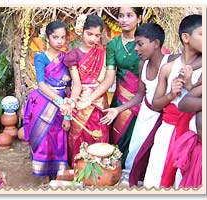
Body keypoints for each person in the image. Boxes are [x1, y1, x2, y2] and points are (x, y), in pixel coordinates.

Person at [102, 22, 174, 187]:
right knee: (134, 154)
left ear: (156, 44)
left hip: (163, 119)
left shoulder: (171, 63)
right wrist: (117, 109)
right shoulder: (143, 64)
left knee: (155, 157)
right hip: (145, 115)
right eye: (135, 44)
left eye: (140, 44)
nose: (136, 49)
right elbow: (140, 94)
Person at [143, 14, 202, 189]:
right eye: (202, 34)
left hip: (191, 133)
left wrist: (190, 84)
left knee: (182, 180)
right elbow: (155, 104)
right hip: (167, 131)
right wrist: (171, 95)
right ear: (186, 38)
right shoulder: (168, 68)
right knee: (156, 175)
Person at [23, 21, 71, 184]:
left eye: (63, 37)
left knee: (58, 138)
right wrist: (58, 100)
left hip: (63, 106)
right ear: (48, 38)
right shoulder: (40, 58)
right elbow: (41, 84)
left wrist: (68, 115)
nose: (59, 41)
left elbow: (70, 87)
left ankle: (58, 175)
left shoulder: (67, 58)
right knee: (42, 138)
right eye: (55, 37)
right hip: (44, 102)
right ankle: (44, 175)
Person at [63, 14, 109, 167]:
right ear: (81, 31)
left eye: (97, 35)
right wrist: (73, 102)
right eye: (89, 34)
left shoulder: (104, 53)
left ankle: (100, 172)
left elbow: (107, 80)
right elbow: (76, 84)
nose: (93, 39)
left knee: (99, 135)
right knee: (78, 137)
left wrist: (92, 96)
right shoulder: (73, 55)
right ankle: (80, 170)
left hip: (98, 103)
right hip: (81, 100)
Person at [102, 7, 143, 168]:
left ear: (139, 18)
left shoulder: (147, 41)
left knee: (137, 143)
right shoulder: (113, 44)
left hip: (142, 102)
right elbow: (109, 77)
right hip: (119, 102)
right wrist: (89, 97)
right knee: (118, 143)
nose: (124, 19)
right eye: (121, 16)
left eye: (129, 15)